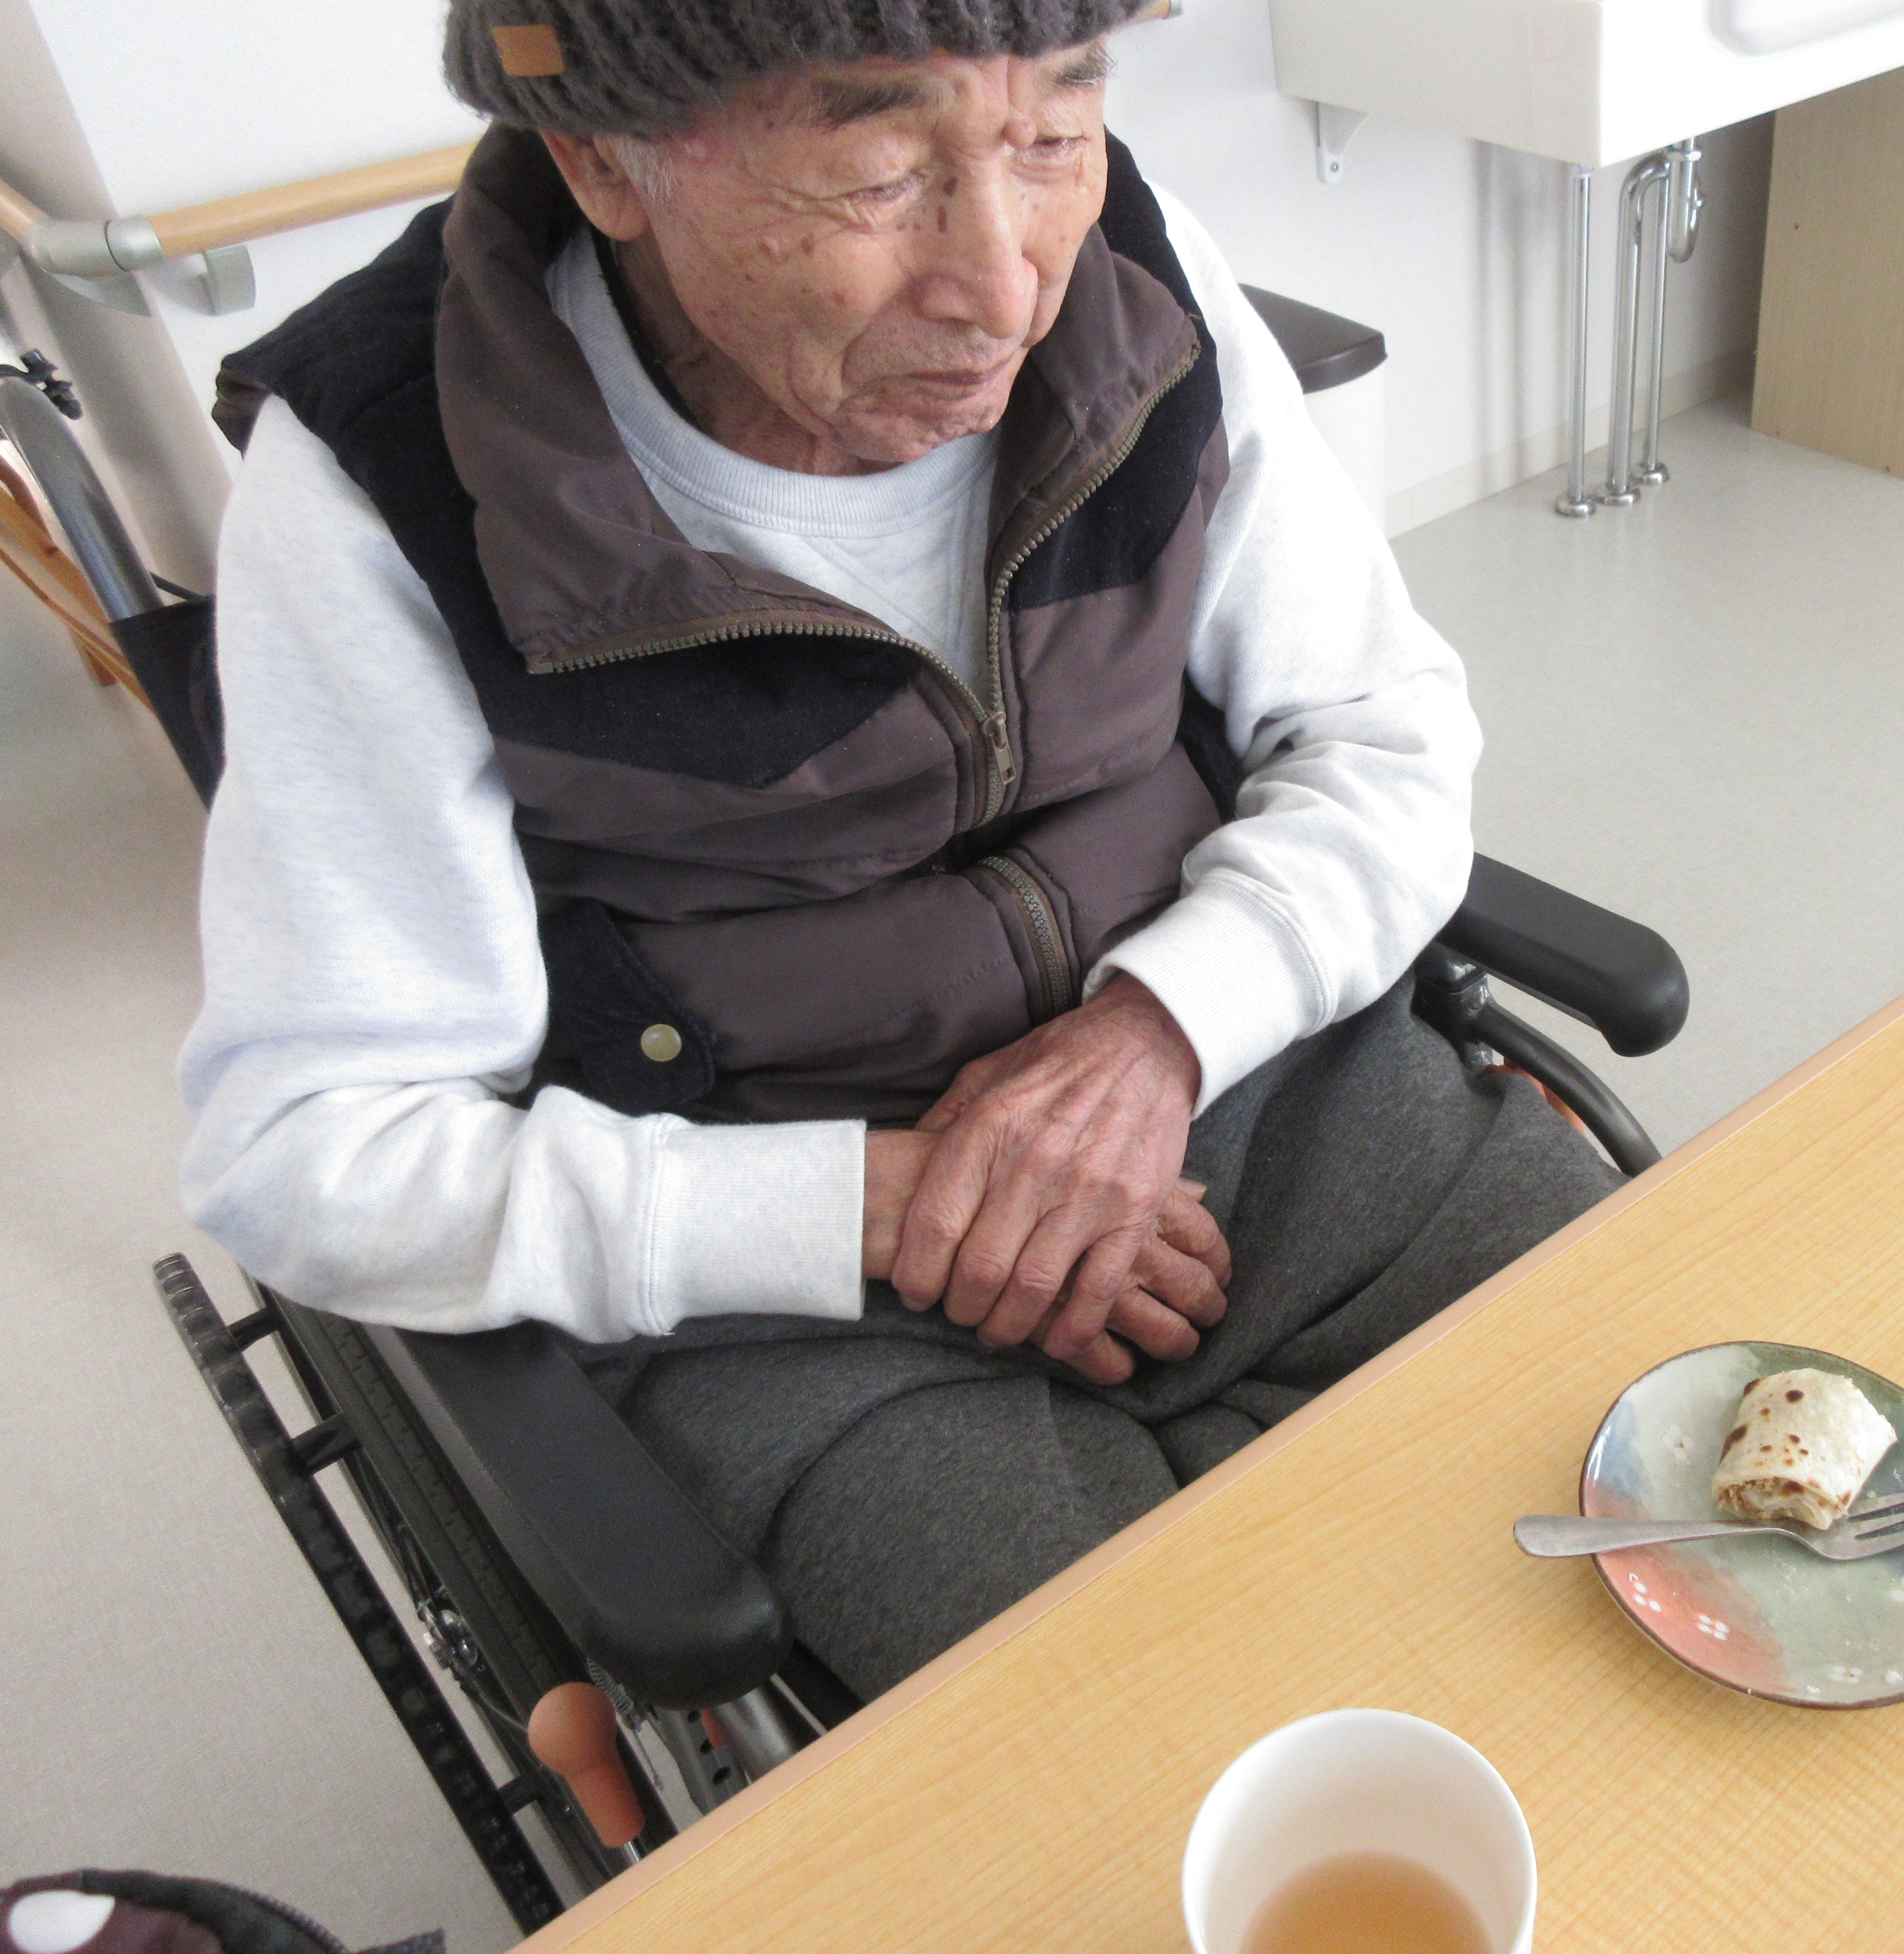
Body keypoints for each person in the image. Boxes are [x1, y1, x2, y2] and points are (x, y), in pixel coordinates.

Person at [178, 0, 1616, 1701]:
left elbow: (1379, 729)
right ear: (603, 163)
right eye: (875, 174)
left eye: (1055, 132)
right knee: (1142, 1755)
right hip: (785, 1292)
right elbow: (310, 1147)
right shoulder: (386, 477)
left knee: (1684, 1475)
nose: (1006, 289)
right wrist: (892, 1206)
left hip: (1260, 1091)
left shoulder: (1136, 276)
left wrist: (1155, 1039)